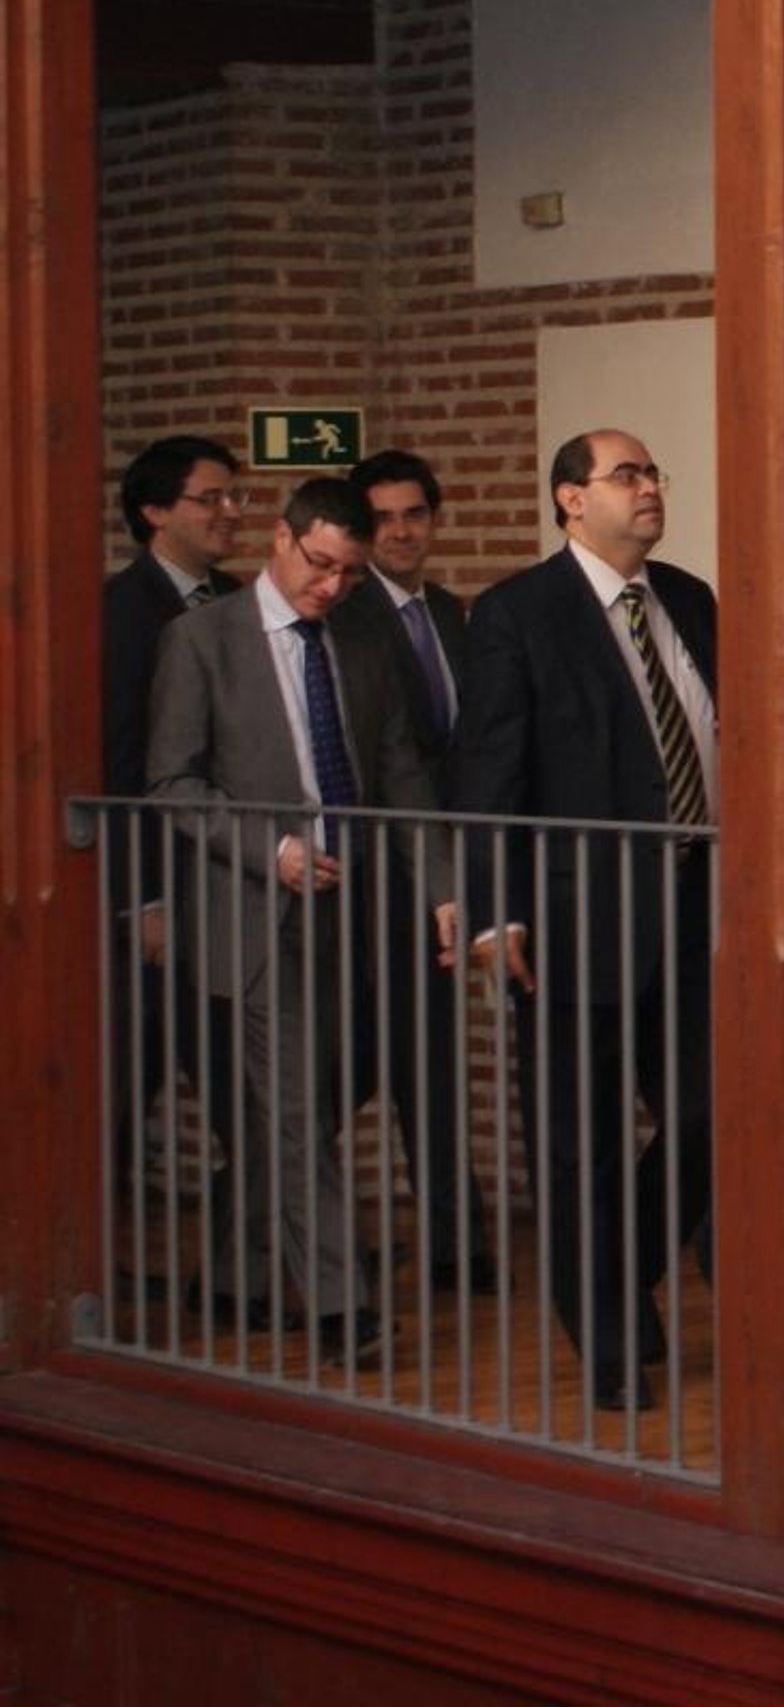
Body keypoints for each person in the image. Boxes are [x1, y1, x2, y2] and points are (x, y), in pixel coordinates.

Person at [146, 477, 452, 1365]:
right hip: (255, 910)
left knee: (308, 1104)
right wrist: (268, 848)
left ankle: (231, 1271)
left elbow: (401, 772)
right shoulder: (201, 640)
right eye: (319, 565)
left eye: (349, 573)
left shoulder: (361, 637)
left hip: (353, 910)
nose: (331, 586)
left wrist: (441, 884)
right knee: (292, 1111)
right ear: (280, 538)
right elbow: (171, 782)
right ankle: (342, 1307)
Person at [451, 428, 717, 1414]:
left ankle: (619, 1270)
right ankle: (605, 1341)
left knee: (711, 1111)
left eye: (652, 473)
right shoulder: (519, 612)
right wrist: (494, 910)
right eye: (626, 475)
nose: (649, 488)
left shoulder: (689, 598)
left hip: (693, 902)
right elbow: (488, 770)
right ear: (570, 498)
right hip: (575, 915)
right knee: (580, 1141)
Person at [335, 448, 493, 1295]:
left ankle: (454, 1244)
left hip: (440, 872)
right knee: (358, 1065)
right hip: (367, 878)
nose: (400, 532)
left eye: (414, 514)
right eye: (382, 518)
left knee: (431, 1059)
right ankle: (253, 1212)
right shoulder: (346, 616)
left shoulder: (449, 612)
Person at [101, 436, 245, 1189]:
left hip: (230, 873)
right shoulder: (122, 612)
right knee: (129, 1069)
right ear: (155, 512)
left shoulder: (238, 597)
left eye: (234, 496)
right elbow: (123, 758)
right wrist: (145, 898)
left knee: (236, 1074)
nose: (230, 512)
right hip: (159, 882)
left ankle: (266, 1235)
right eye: (209, 498)